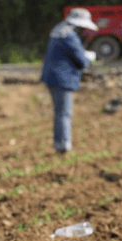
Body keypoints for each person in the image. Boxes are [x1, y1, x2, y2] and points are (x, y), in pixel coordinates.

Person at [41, 8, 97, 154]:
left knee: (60, 113)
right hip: (62, 78)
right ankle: (64, 145)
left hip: (52, 76)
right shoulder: (69, 36)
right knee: (64, 113)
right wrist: (88, 58)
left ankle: (59, 143)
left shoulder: (59, 29)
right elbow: (81, 60)